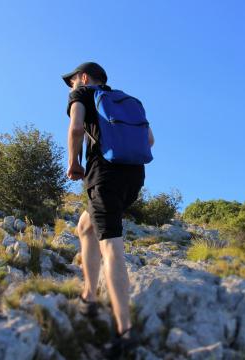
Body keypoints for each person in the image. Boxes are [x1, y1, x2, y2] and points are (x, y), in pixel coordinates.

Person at [62, 61, 154, 357]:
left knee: (111, 247)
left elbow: (76, 127)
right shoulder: (127, 101)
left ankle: (125, 331)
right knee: (85, 226)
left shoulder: (82, 95)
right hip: (135, 176)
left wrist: (74, 162)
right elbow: (150, 140)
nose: (71, 86)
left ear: (84, 78)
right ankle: (89, 296)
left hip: (104, 175)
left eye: (73, 80)